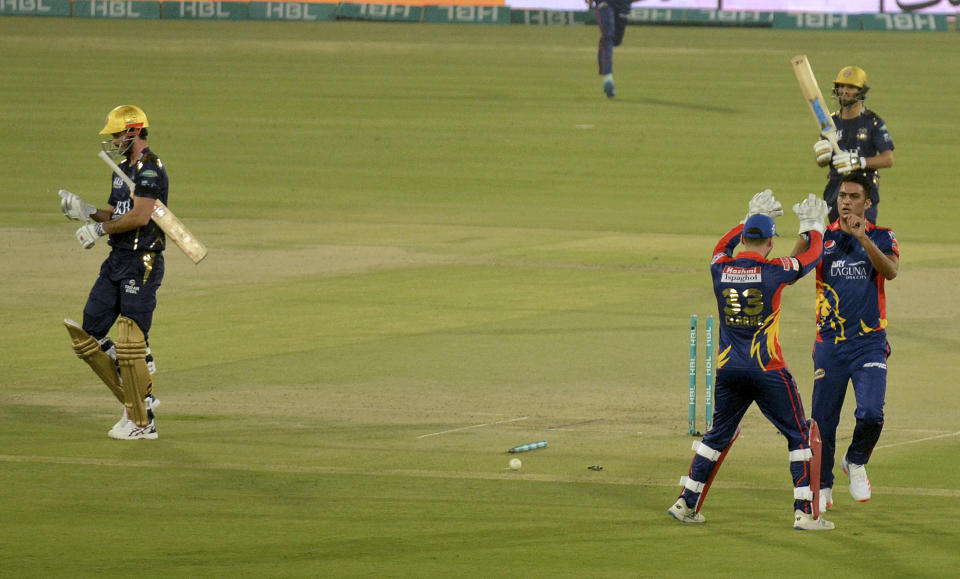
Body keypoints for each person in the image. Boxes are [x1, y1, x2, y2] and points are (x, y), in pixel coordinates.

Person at [668, 190, 834, 531]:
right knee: (799, 436)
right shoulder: (775, 271)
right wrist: (814, 225)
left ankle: (686, 502)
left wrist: (745, 216)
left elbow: (720, 247)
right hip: (768, 369)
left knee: (716, 436)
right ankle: (804, 512)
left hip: (729, 371)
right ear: (771, 242)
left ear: (744, 238)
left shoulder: (720, 268)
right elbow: (813, 256)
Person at [60, 104, 169, 440]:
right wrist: (89, 212)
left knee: (131, 343)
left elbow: (139, 217)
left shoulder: (150, 170)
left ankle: (142, 420)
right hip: (117, 260)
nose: (114, 140)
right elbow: (119, 212)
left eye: (118, 133)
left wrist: (101, 230)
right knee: (90, 331)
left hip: (142, 261)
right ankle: (134, 376)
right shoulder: (121, 169)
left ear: (134, 131)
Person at [804, 171, 899, 511]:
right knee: (823, 420)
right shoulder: (823, 238)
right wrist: (806, 233)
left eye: (853, 196)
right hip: (829, 344)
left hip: (869, 343)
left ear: (867, 202)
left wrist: (863, 239)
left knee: (872, 413)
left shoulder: (883, 236)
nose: (845, 201)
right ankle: (824, 484)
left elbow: (890, 271)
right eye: (842, 195)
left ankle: (855, 461)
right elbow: (795, 266)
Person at [812, 66, 894, 224]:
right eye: (841, 86)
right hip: (836, 191)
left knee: (861, 241)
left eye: (850, 87)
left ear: (861, 91)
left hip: (863, 191)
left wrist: (859, 162)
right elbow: (823, 160)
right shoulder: (829, 122)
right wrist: (822, 157)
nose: (844, 91)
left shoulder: (873, 122)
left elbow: (888, 159)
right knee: (838, 244)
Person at [593, 0, 636, 98]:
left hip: (623, 4)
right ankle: (608, 78)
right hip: (605, 3)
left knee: (616, 40)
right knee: (608, 36)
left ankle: (607, 77)